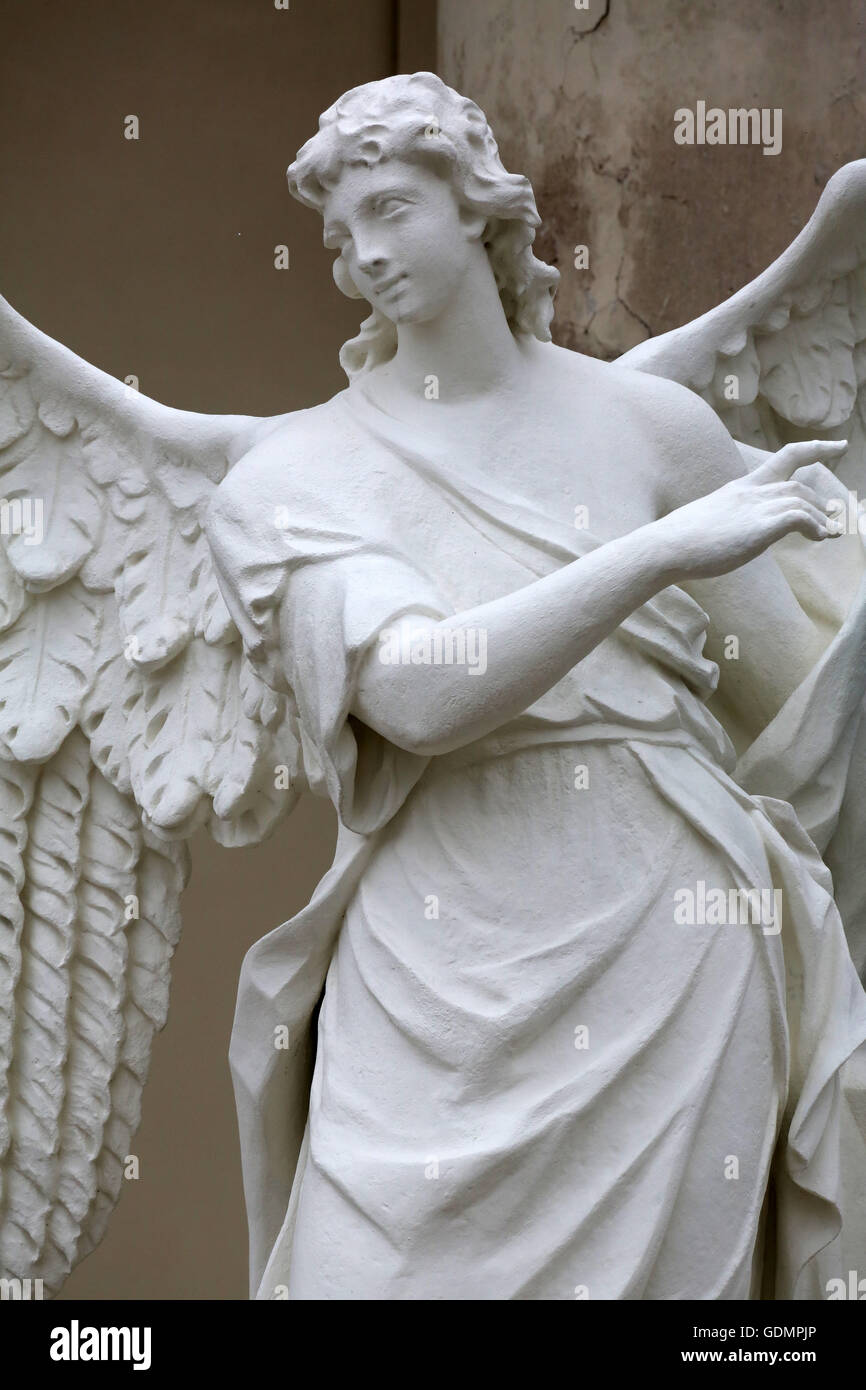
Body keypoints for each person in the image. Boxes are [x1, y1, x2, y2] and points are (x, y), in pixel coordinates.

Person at [205, 72, 866, 1300]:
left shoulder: (652, 430)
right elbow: (416, 694)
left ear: (477, 206)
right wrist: (661, 549)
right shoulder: (288, 479)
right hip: (431, 978)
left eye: (392, 209)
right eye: (338, 234)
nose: (362, 254)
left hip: (667, 951)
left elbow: (803, 707)